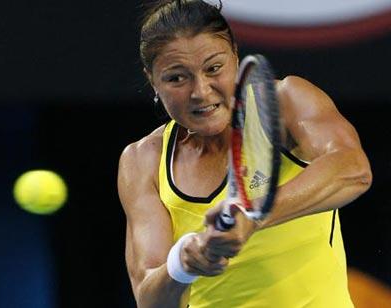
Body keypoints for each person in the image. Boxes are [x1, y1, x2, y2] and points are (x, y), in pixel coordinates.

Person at [117, 1, 372, 307]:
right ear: (152, 80)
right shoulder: (142, 161)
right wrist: (182, 264)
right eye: (176, 78)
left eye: (214, 68)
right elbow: (150, 299)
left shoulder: (284, 102)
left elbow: (353, 170)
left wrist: (253, 217)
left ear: (235, 57)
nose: (201, 91)